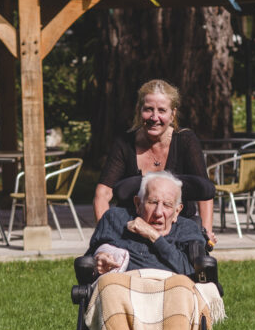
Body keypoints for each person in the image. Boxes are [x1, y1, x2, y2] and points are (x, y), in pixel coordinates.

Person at [86, 172, 222, 330]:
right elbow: (92, 256)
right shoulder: (115, 219)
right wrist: (100, 261)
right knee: (107, 286)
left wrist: (153, 235)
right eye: (152, 202)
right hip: (125, 286)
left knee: (183, 287)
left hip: (171, 288)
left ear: (178, 210)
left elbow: (188, 268)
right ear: (138, 203)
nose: (159, 212)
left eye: (167, 205)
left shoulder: (189, 228)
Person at [93, 79, 218, 245]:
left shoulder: (185, 141)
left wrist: (206, 232)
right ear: (139, 111)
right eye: (148, 109)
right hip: (132, 229)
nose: (154, 117)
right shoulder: (124, 143)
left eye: (162, 110)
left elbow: (203, 192)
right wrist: (107, 234)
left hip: (178, 229)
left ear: (172, 114)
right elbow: (102, 194)